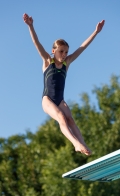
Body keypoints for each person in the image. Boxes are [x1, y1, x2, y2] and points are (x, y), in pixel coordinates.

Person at [23, 13, 105, 156]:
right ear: (53, 51)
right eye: (61, 51)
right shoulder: (48, 61)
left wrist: (96, 32)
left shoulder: (67, 63)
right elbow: (37, 44)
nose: (64, 54)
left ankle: (83, 145)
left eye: (66, 51)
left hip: (60, 100)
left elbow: (82, 47)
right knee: (61, 117)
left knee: (70, 120)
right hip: (47, 100)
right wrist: (31, 26)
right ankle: (76, 144)